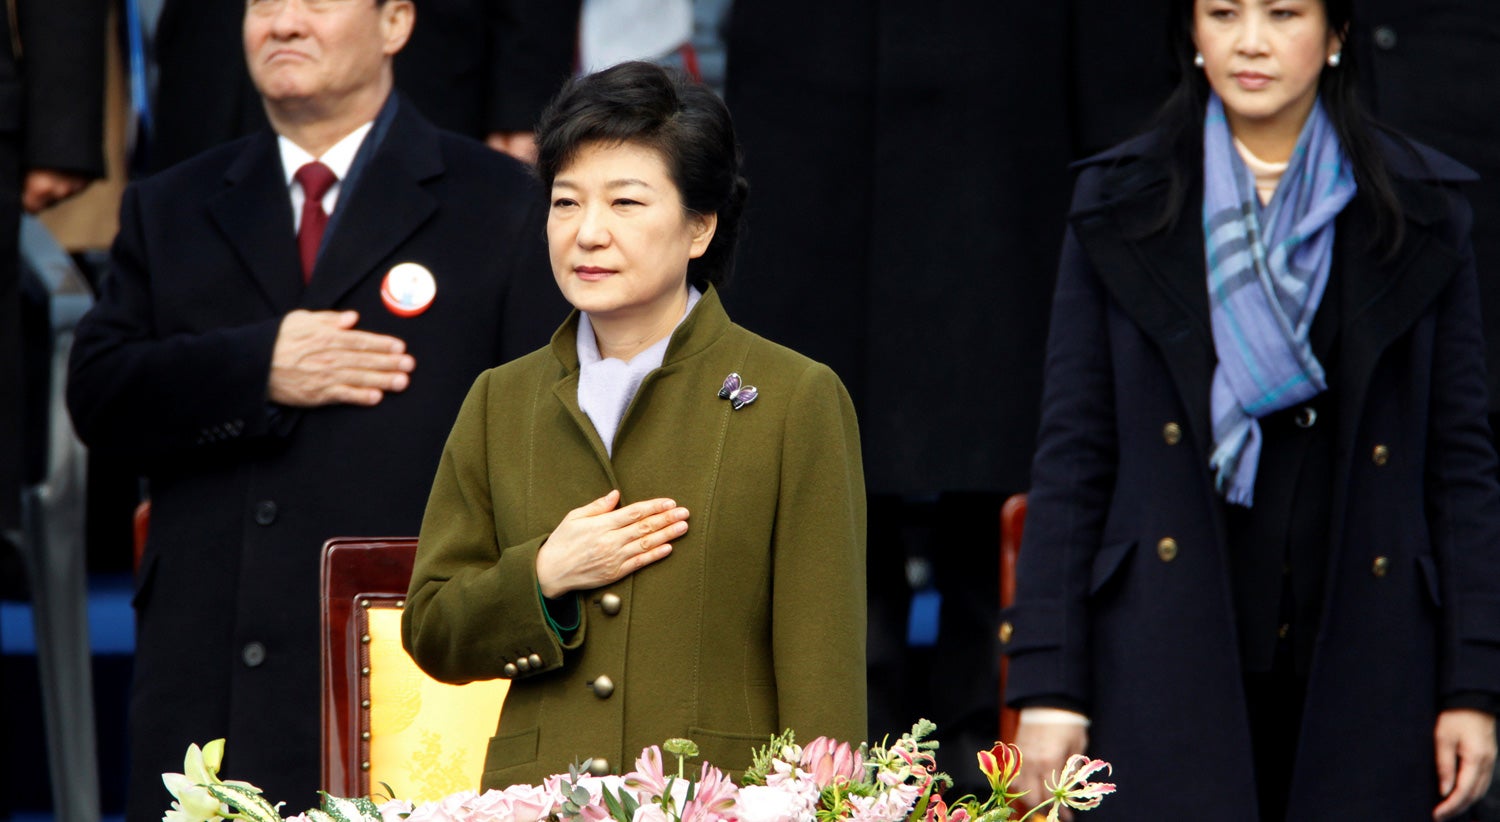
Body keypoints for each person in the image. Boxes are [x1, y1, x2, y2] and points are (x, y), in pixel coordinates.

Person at [64, 0, 565, 817]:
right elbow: (98, 394)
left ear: (395, 23)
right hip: (210, 682)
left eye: (316, 2)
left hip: (411, 682)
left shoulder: (501, 204)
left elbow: (546, 444)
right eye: (264, 3)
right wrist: (257, 366)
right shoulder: (174, 203)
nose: (284, 23)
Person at [1001, 0, 1500, 820]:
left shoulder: (1420, 206)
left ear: (1337, 35)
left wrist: (1473, 685)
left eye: (1284, 13)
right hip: (1166, 647)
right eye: (1224, 13)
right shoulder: (1119, 201)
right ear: (1192, 35)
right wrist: (1050, 684)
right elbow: (1074, 455)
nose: (1251, 43)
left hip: (1369, 653)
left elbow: (1460, 466)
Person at [402, 61, 867, 787]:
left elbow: (822, 668)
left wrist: (826, 801)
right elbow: (431, 628)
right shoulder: (501, 399)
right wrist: (544, 574)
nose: (588, 233)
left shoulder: (793, 397)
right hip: (539, 800)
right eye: (565, 202)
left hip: (718, 799)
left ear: (700, 227)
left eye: (625, 202)